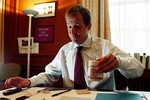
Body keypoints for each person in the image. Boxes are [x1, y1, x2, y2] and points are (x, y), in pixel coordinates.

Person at [5, 5, 144, 91]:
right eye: (69, 26)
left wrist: (119, 62)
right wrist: (28, 81)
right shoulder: (65, 51)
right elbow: (49, 75)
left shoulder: (105, 46)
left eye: (77, 26)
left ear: (89, 27)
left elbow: (138, 69)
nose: (72, 32)